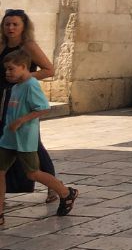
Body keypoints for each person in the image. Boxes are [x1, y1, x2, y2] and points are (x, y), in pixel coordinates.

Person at [0, 49, 77, 225]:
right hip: (8, 137)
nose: (7, 72)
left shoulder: (31, 84)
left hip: (24, 139)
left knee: (33, 173)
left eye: (11, 69)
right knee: (0, 172)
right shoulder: (16, 86)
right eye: (6, 69)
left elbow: (43, 107)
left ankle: (65, 192)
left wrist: (21, 120)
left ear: (23, 67)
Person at [0, 9, 57, 202]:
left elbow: (49, 70)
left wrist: (24, 77)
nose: (10, 28)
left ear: (23, 26)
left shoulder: (28, 46)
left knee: (32, 143)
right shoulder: (1, 44)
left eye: (15, 24)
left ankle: (53, 186)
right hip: (3, 97)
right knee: (5, 141)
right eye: (7, 24)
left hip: (21, 98)